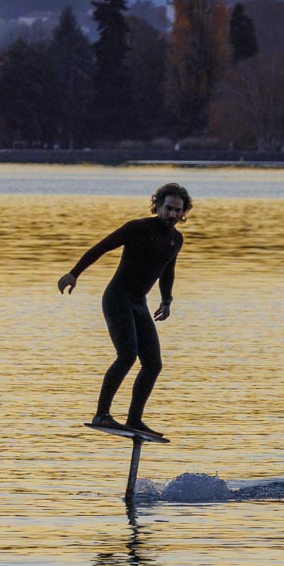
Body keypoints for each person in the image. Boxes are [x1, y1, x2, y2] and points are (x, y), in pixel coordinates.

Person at [58, 183, 190, 441]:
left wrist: (166, 300)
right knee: (127, 355)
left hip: (139, 303)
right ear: (158, 207)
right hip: (117, 298)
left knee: (153, 364)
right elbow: (102, 247)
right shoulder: (137, 228)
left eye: (178, 211)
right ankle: (102, 413)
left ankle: (134, 418)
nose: (173, 215)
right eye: (168, 209)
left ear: (184, 212)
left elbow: (167, 270)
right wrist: (74, 273)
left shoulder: (176, 239)